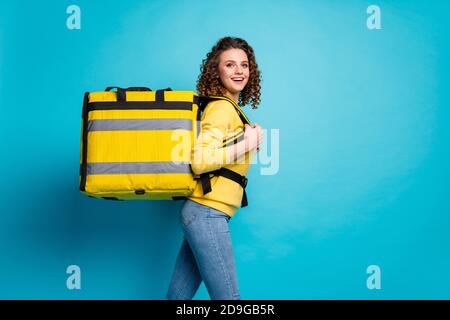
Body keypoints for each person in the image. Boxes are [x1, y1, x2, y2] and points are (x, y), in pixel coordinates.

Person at [166, 36, 263, 300]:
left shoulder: (230, 109)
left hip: (201, 213)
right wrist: (248, 143)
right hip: (207, 212)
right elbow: (200, 161)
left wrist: (247, 139)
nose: (239, 71)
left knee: (177, 299)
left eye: (244, 65)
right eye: (230, 65)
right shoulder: (221, 108)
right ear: (215, 71)